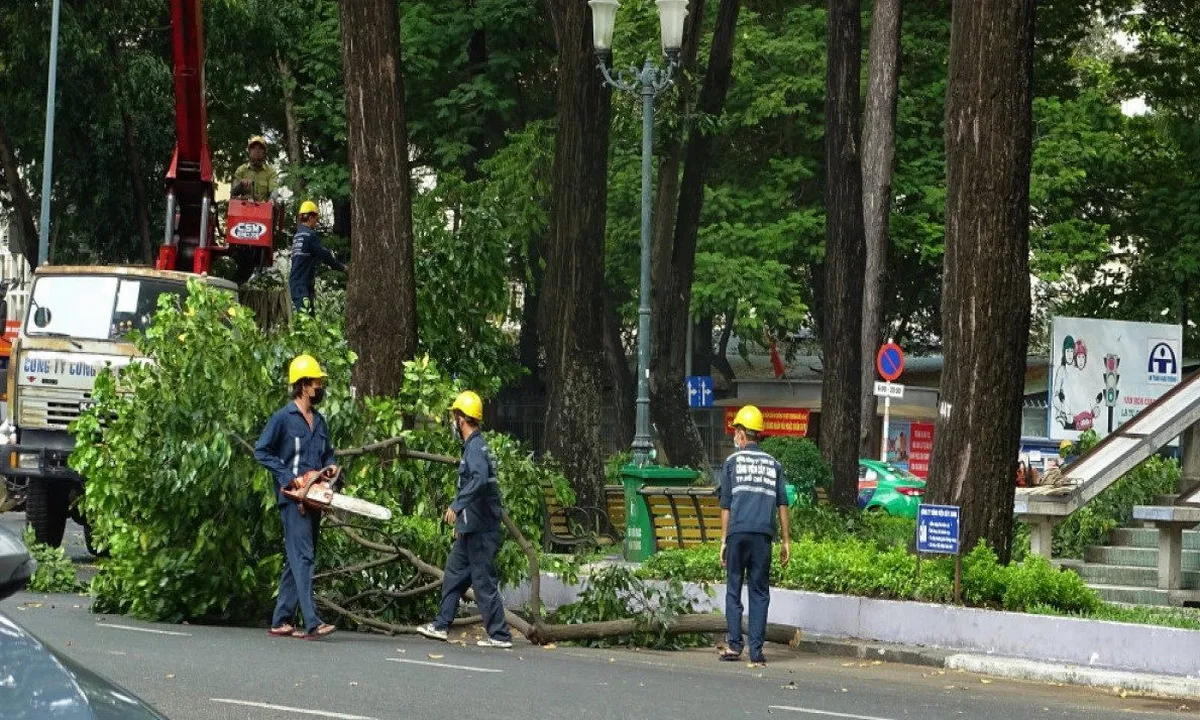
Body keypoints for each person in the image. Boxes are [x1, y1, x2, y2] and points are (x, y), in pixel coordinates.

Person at [416, 391, 513, 649]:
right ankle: (441, 625)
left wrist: (457, 507)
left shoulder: (476, 450)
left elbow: (478, 481)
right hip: (470, 530)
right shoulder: (473, 447)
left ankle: (500, 635)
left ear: (461, 419)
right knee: (453, 576)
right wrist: (461, 525)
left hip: (481, 531)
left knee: (483, 582)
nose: (452, 422)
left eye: (454, 416)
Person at [254, 354, 338, 641]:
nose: (320, 388)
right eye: (316, 383)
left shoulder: (321, 421)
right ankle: (312, 621)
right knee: (303, 557)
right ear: (302, 386)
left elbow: (328, 454)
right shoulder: (282, 419)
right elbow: (261, 451)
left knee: (296, 559)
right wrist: (286, 476)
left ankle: (282, 619)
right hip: (294, 501)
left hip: (315, 498)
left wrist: (332, 468)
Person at [718, 405, 790, 666]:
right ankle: (757, 652)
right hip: (763, 537)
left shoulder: (731, 463)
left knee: (734, 588)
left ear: (740, 433)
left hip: (737, 534)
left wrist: (724, 541)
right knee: (759, 592)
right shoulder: (774, 465)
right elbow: (783, 503)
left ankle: (735, 645)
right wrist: (785, 541)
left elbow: (726, 504)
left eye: (735, 432)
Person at [289, 200, 346, 313]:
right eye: (316, 218)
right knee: (306, 318)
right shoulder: (310, 235)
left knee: (307, 316)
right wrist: (343, 268)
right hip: (302, 285)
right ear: (310, 217)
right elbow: (325, 255)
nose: (316, 222)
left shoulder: (298, 235)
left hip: (297, 283)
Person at [231, 135, 280, 202]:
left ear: (264, 152)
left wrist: (272, 200)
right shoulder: (241, 170)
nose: (257, 151)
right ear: (249, 151)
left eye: (260, 148)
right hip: (244, 209)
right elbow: (233, 192)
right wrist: (241, 184)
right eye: (253, 148)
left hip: (264, 209)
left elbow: (274, 190)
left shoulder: (271, 171)